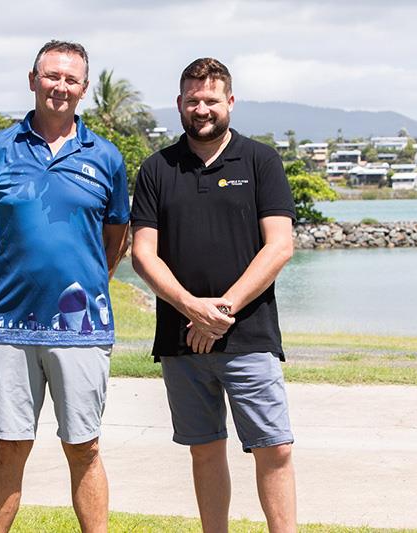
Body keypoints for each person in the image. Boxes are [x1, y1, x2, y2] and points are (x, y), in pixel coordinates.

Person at [0, 40, 130, 533]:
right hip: (10, 328)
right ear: (33, 79)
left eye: (71, 79)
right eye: (51, 75)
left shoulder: (106, 157)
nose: (60, 86)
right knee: (9, 446)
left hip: (83, 329)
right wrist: (7, 287)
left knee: (85, 447)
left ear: (84, 88)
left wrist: (93, 284)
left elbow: (115, 237)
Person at [130, 58, 297, 533]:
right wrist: (193, 310)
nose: (202, 109)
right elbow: (143, 255)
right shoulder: (156, 168)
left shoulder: (260, 160)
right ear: (179, 103)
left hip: (249, 336)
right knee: (204, 450)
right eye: (193, 100)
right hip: (182, 341)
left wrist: (220, 311)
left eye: (211, 100)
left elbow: (279, 246)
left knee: (275, 447)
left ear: (230, 102)